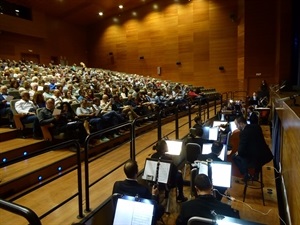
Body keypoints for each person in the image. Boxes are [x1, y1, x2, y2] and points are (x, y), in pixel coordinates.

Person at [232, 116, 273, 181]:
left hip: (255, 159)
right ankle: (256, 173)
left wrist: (238, 152)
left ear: (241, 124)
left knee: (234, 156)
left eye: (237, 125)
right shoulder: (257, 127)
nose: (237, 127)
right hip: (265, 156)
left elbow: (241, 151)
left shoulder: (243, 133)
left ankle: (246, 174)